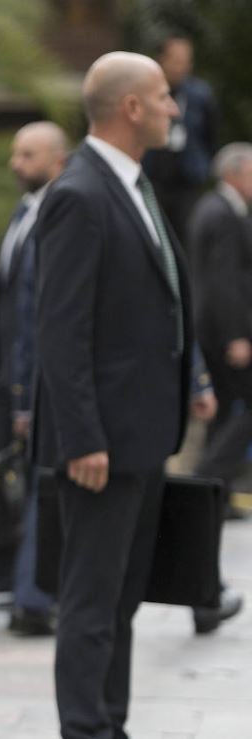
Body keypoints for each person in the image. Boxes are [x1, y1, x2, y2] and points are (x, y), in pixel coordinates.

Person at [35, 51, 192, 739]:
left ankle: (110, 722)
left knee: (123, 596)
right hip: (102, 443)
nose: (174, 108)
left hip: (143, 431)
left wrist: (198, 379)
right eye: (163, 97)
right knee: (92, 601)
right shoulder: (80, 193)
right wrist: (83, 438)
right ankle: (85, 728)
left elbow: (152, 301)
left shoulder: (133, 184)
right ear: (131, 107)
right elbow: (60, 332)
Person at [0, 122, 67, 630]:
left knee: (35, 488)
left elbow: (38, 312)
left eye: (27, 154)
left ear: (58, 159)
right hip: (11, 378)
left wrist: (28, 396)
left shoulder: (58, 215)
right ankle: (16, 583)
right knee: (10, 483)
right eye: (14, 152)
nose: (16, 163)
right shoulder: (23, 212)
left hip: (35, 383)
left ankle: (35, 595)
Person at [186, 142, 252, 634]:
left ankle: (214, 487)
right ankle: (211, 485)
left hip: (212, 337)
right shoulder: (225, 214)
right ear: (237, 173)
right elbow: (224, 281)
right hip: (224, 339)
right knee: (237, 420)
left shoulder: (210, 208)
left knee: (228, 424)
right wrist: (236, 335)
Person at [141, 34, 217, 241]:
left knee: (187, 237)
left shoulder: (200, 94)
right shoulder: (146, 91)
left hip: (187, 179)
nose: (180, 67)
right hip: (153, 176)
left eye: (185, 61)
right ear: (161, 59)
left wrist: (203, 167)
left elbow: (210, 137)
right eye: (175, 61)